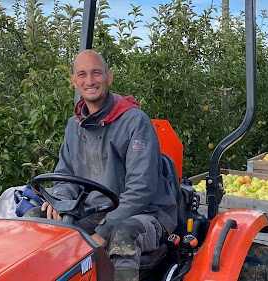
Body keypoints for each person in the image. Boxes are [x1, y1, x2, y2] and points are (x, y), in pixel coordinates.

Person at [27, 50, 178, 281]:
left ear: (109, 77)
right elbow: (64, 174)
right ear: (74, 81)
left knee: (122, 235)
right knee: (34, 220)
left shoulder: (134, 121)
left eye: (96, 73)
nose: (90, 81)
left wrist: (105, 230)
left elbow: (141, 189)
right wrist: (61, 202)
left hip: (144, 214)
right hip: (92, 212)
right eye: (82, 74)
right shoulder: (74, 126)